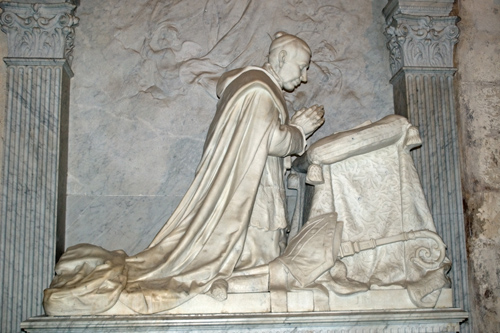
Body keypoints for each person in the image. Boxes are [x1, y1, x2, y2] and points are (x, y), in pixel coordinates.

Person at [43, 32, 324, 315]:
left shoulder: (248, 86)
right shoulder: (259, 91)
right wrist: (299, 132)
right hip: (249, 195)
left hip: (251, 186)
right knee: (258, 257)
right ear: (282, 58)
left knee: (263, 256)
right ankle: (232, 285)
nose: (304, 78)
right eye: (302, 67)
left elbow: (255, 143)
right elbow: (271, 141)